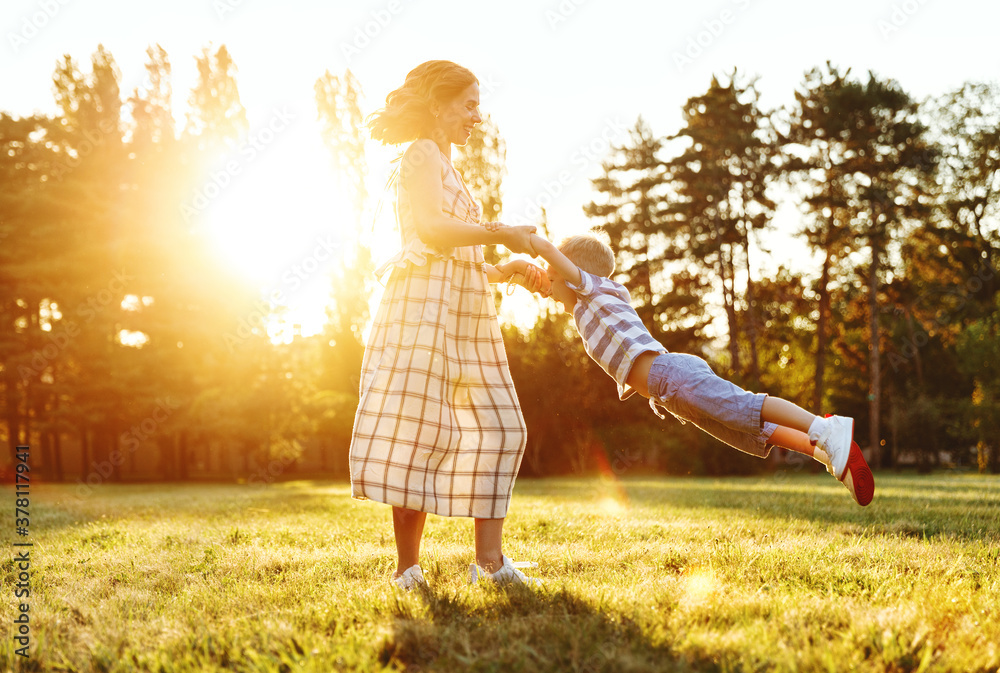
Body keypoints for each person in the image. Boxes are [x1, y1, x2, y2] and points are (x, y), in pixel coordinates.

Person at [350, 60, 547, 591]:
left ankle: (489, 563)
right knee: (420, 432)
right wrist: (499, 233)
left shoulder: (446, 161)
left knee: (502, 425)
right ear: (439, 104)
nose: (476, 117)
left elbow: (449, 250)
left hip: (460, 313)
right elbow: (434, 231)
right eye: (469, 105)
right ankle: (407, 570)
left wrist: (502, 269)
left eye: (478, 106)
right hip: (420, 311)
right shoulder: (421, 153)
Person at [520, 232, 874, 506]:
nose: (546, 287)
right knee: (750, 431)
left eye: (552, 277)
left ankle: (826, 427)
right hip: (670, 394)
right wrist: (505, 271)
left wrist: (519, 238)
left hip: (671, 376)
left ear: (573, 273)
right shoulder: (581, 310)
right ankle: (822, 450)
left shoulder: (596, 289)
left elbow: (551, 256)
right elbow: (538, 281)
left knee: (746, 405)